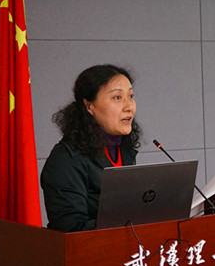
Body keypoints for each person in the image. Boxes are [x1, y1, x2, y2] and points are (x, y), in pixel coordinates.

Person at [40, 64, 142, 232]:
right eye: (117, 97)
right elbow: (70, 228)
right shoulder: (65, 159)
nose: (129, 106)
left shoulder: (124, 150)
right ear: (89, 106)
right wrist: (130, 228)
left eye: (131, 96)